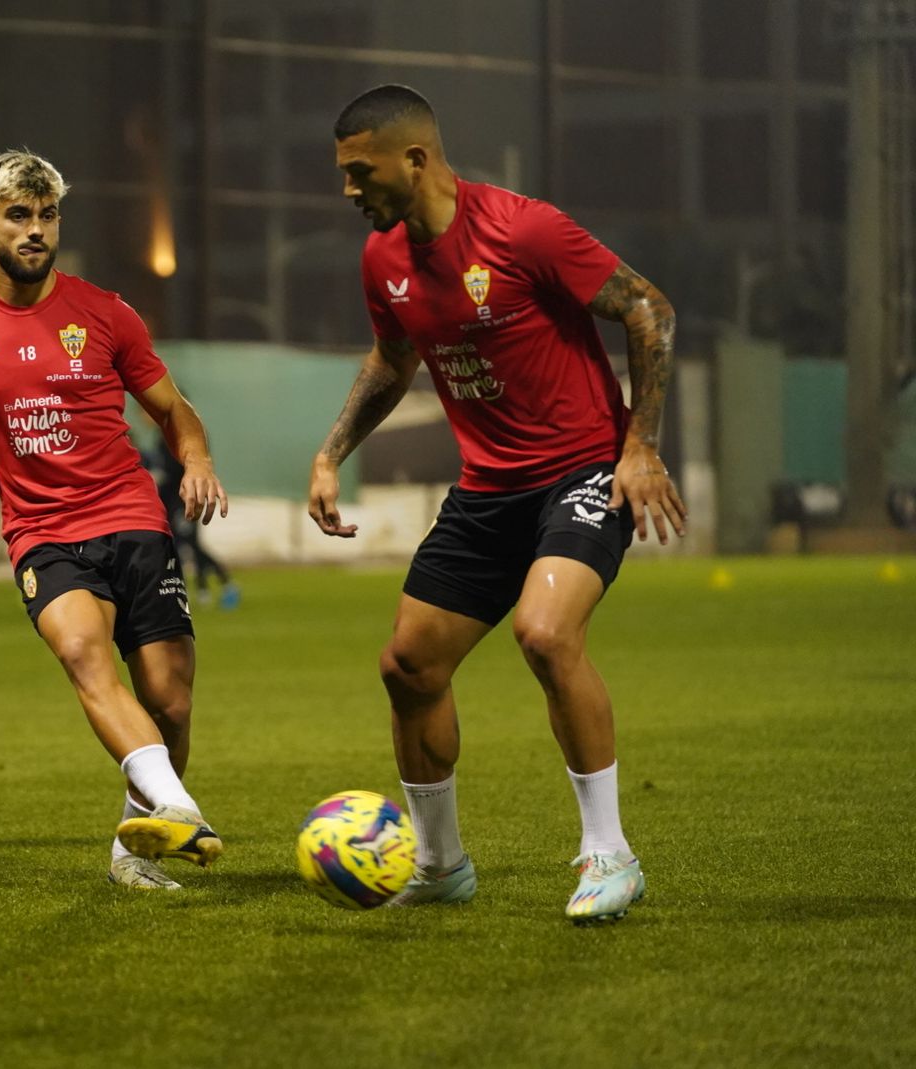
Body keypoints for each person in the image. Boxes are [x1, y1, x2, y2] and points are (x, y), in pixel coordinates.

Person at [307, 85, 686, 924]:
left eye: (360, 171)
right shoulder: (382, 259)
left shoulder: (524, 230)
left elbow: (648, 308)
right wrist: (332, 452)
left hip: (584, 470)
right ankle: (440, 863)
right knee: (408, 665)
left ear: (415, 159)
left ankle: (610, 854)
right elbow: (392, 358)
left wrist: (640, 445)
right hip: (488, 489)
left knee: (545, 634)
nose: (348, 190)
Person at [0, 149, 229, 890]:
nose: (35, 229)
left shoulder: (106, 312)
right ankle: (180, 807)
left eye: (48, 215)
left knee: (170, 702)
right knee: (86, 656)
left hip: (133, 517)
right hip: (44, 534)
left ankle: (134, 849)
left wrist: (196, 460)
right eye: (18, 215)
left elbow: (173, 409)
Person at [141, 431, 239, 609]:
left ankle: (224, 584)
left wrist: (162, 476)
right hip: (171, 504)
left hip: (184, 500)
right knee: (182, 545)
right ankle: (201, 589)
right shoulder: (162, 437)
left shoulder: (182, 434)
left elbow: (181, 469)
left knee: (192, 544)